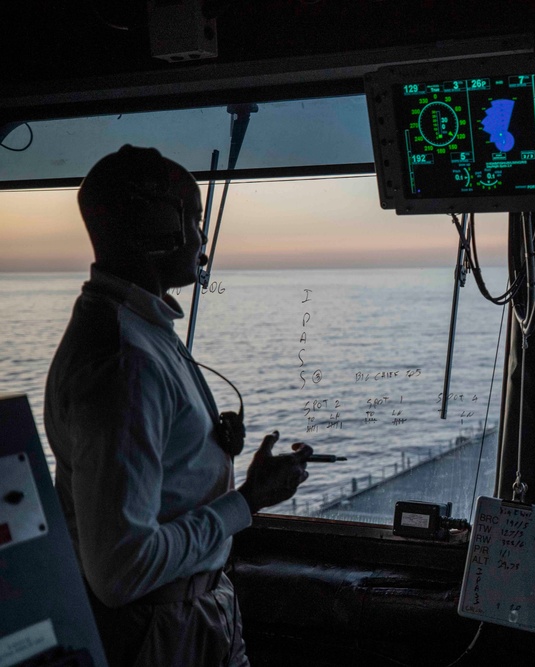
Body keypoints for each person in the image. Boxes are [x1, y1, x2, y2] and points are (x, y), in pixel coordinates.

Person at [44, 145, 313, 666]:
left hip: (192, 613)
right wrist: (247, 501)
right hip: (158, 632)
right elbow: (123, 570)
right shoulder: (123, 361)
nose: (201, 238)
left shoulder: (138, 330)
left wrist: (204, 446)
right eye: (194, 219)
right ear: (157, 225)